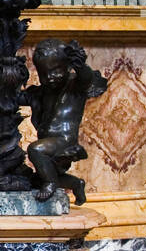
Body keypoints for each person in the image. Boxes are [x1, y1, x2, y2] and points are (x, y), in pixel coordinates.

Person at [24, 39, 107, 204]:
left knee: (35, 150)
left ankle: (51, 183)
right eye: (43, 74)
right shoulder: (43, 92)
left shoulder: (74, 87)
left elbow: (86, 78)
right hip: (49, 141)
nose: (49, 78)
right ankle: (76, 184)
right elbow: (21, 97)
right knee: (37, 178)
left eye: (55, 71)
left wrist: (80, 65)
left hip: (64, 140)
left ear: (68, 67)